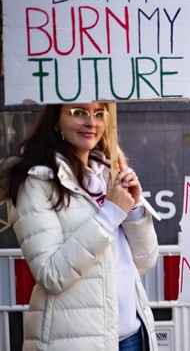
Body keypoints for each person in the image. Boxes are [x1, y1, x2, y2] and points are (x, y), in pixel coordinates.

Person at [0, 103, 158, 350]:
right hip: (75, 342)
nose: (91, 122)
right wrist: (110, 214)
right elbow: (51, 275)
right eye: (78, 112)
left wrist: (134, 208)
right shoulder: (36, 180)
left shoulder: (109, 173)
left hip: (132, 337)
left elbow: (145, 262)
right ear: (55, 120)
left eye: (99, 113)